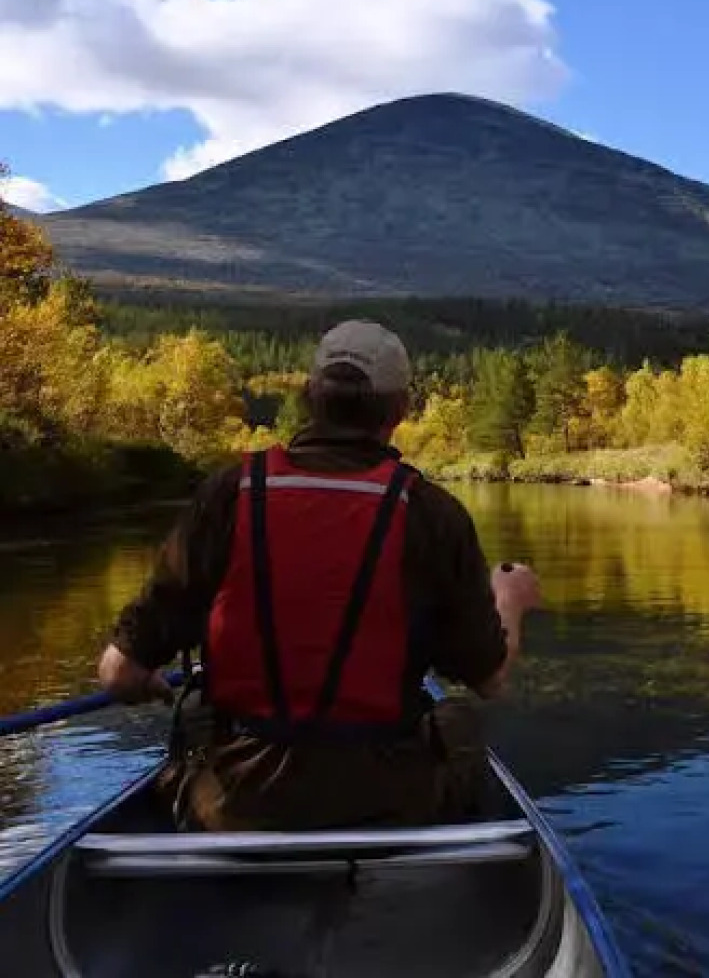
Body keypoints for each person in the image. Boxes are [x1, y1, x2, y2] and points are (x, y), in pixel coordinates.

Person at [94, 319, 540, 831]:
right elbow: (488, 677)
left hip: (235, 802)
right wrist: (509, 597)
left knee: (196, 718)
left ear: (308, 397)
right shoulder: (431, 513)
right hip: (387, 799)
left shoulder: (227, 495)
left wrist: (146, 682)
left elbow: (118, 674)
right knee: (458, 720)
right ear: (400, 411)